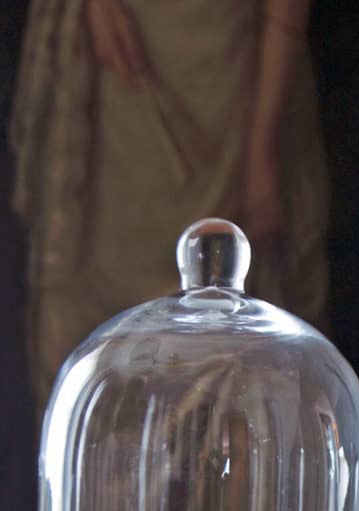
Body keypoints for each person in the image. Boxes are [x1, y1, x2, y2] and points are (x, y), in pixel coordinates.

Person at [10, 0, 330, 420]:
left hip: (226, 92)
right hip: (117, 87)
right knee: (97, 343)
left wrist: (262, 151)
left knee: (225, 344)